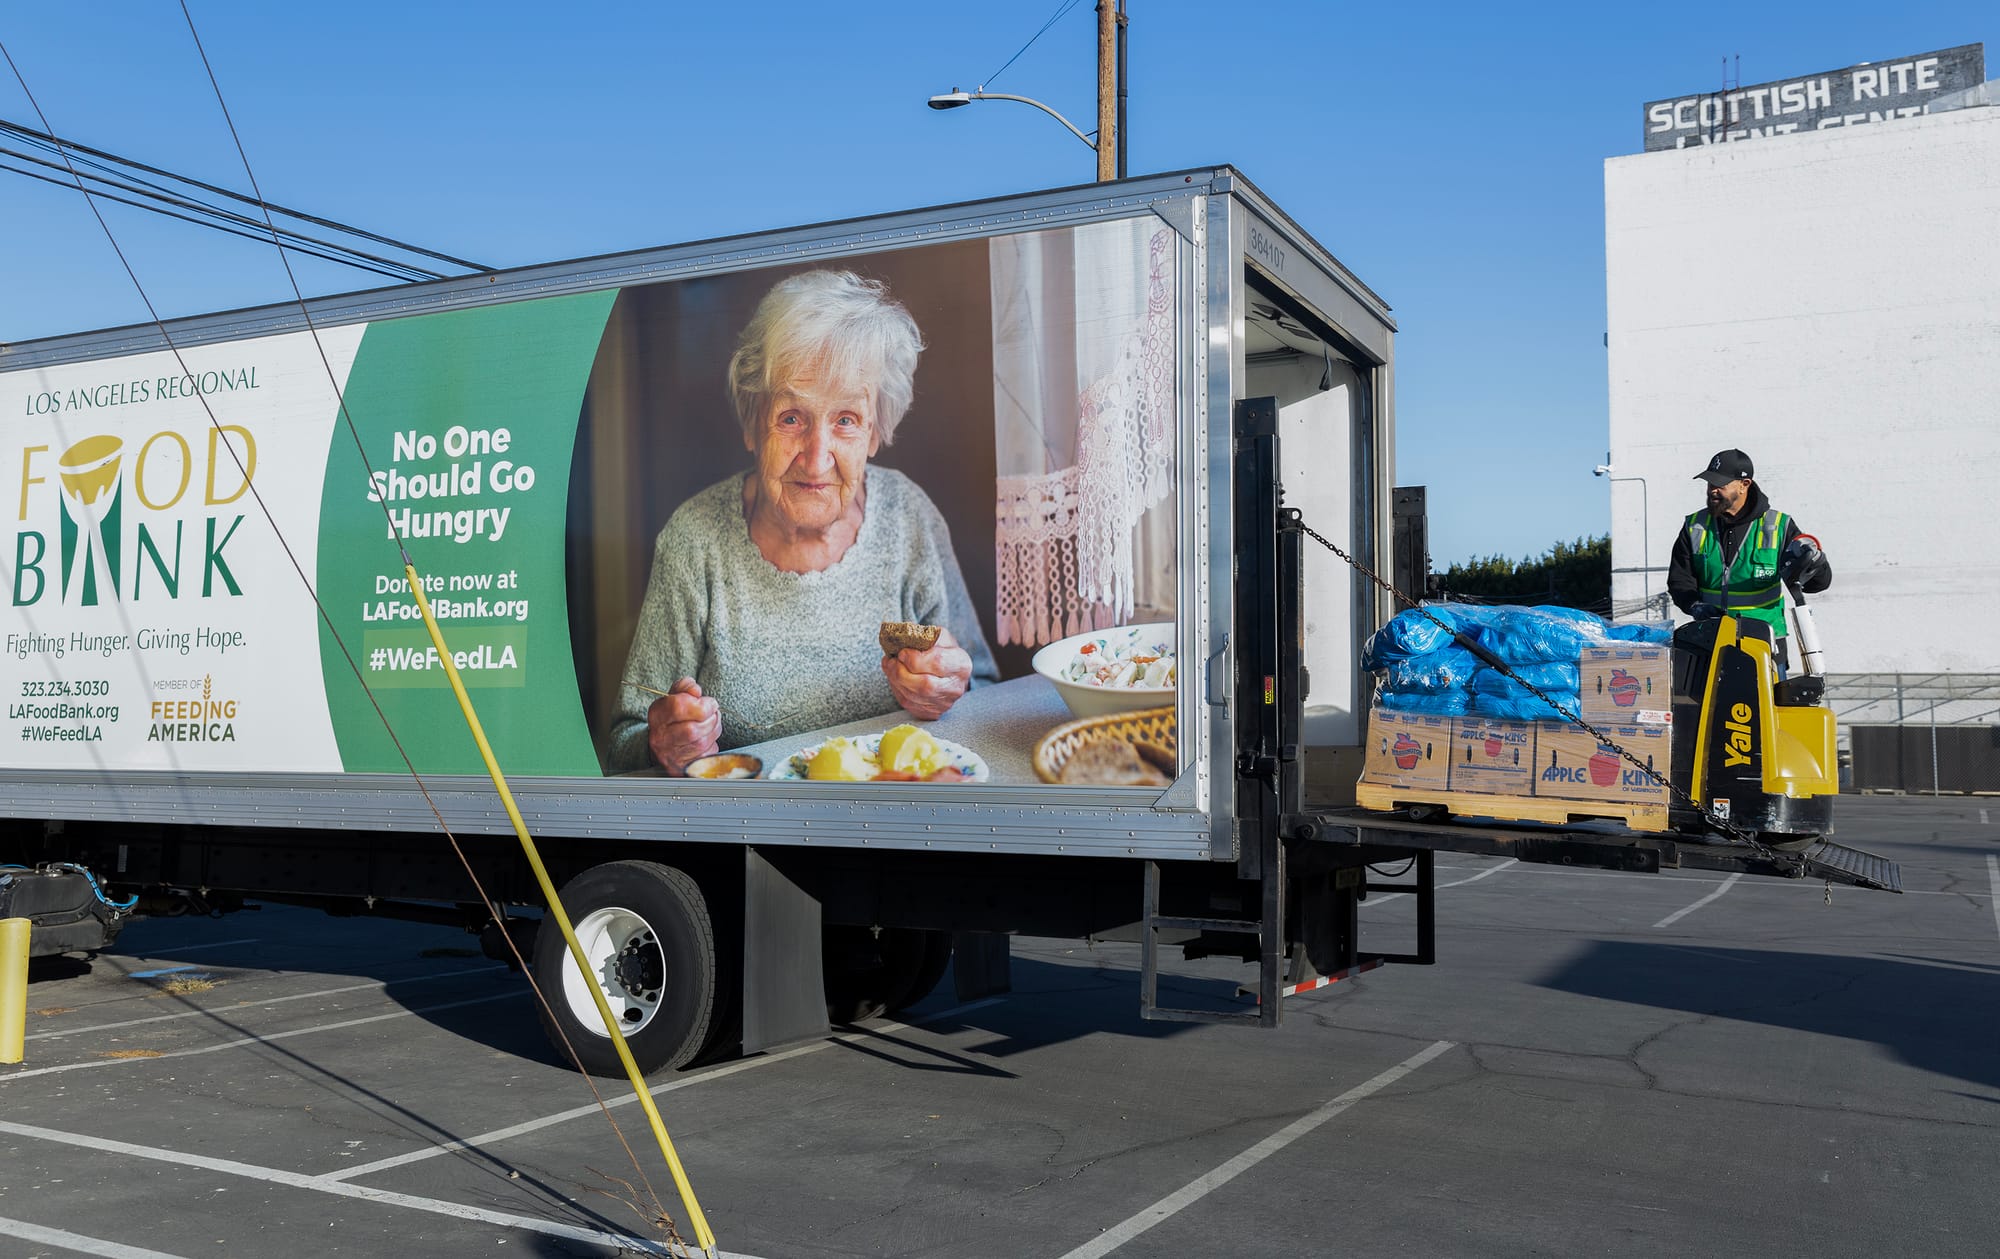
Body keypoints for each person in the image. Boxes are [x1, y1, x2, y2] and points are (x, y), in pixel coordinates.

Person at [605, 269, 999, 776]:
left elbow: (985, 694)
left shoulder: (909, 517)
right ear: (752, 422)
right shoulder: (695, 539)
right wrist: (663, 743)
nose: (816, 460)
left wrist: (949, 695)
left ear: (875, 433)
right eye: (791, 417)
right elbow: (623, 744)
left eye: (845, 421)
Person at [1667, 448, 1831, 669]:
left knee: (1766, 704)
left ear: (1744, 485)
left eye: (1720, 485)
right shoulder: (1695, 526)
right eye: (1709, 484)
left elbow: (1816, 583)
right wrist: (1694, 605)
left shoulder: (1778, 526)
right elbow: (1679, 580)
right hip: (1710, 641)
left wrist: (1815, 561)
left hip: (1765, 644)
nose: (1712, 490)